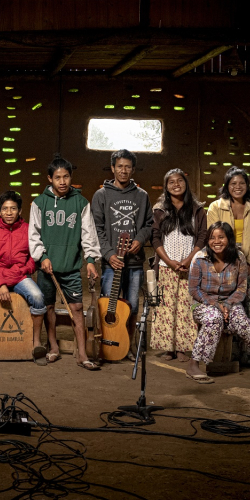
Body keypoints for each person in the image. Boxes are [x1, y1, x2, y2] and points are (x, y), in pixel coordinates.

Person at [29, 155, 101, 371]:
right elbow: (34, 234)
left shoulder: (81, 203)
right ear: (49, 178)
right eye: (58, 177)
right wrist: (42, 256)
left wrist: (90, 260)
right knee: (49, 307)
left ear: (71, 178)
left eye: (66, 177)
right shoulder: (39, 203)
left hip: (71, 267)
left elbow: (89, 234)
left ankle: (82, 353)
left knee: (77, 308)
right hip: (48, 267)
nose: (62, 182)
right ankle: (53, 347)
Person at [186, 223, 250, 384]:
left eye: (221, 237)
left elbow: (241, 288)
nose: (216, 241)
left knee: (241, 321)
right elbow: (193, 289)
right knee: (214, 318)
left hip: (230, 302)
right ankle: (193, 365)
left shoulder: (238, 258)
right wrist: (215, 304)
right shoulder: (199, 258)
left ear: (229, 239)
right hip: (202, 303)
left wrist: (226, 305)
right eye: (212, 237)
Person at [91, 149, 153, 360]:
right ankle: (105, 342)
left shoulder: (142, 195)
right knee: (109, 305)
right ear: (113, 168)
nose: (124, 170)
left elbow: (149, 224)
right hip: (112, 263)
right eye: (120, 166)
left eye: (128, 167)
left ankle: (128, 344)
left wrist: (139, 240)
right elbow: (96, 228)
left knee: (133, 305)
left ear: (133, 169)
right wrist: (109, 254)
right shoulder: (101, 195)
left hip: (134, 263)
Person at [0, 191, 46, 370]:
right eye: (5, 209)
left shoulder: (28, 230)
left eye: (13, 209)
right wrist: (1, 284)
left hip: (20, 275)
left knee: (38, 296)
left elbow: (32, 259)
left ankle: (36, 343)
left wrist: (15, 275)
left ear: (20, 211)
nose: (8, 212)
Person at [206, 166, 250, 364]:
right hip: (224, 265)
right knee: (228, 307)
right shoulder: (216, 207)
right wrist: (225, 264)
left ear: (248, 186)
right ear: (227, 186)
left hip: (249, 265)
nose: (237, 187)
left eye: (242, 183)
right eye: (233, 183)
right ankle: (228, 356)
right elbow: (212, 237)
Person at [149, 168, 208, 362]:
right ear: (166, 187)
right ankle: (169, 348)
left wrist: (190, 258)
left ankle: (183, 347)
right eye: (171, 182)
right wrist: (169, 261)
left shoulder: (197, 209)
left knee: (185, 308)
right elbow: (155, 238)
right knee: (166, 307)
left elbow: (202, 236)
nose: (176, 184)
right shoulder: (160, 209)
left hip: (189, 265)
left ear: (186, 183)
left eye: (180, 181)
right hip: (167, 266)